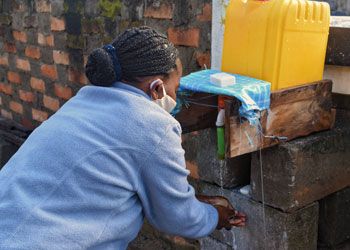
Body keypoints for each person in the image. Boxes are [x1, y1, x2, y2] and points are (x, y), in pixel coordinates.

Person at [0, 26, 246, 249]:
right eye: (176, 88)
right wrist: (215, 217)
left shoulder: (83, 102)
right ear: (157, 88)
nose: (176, 96)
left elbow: (93, 185)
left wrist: (196, 200)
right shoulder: (153, 125)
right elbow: (177, 218)